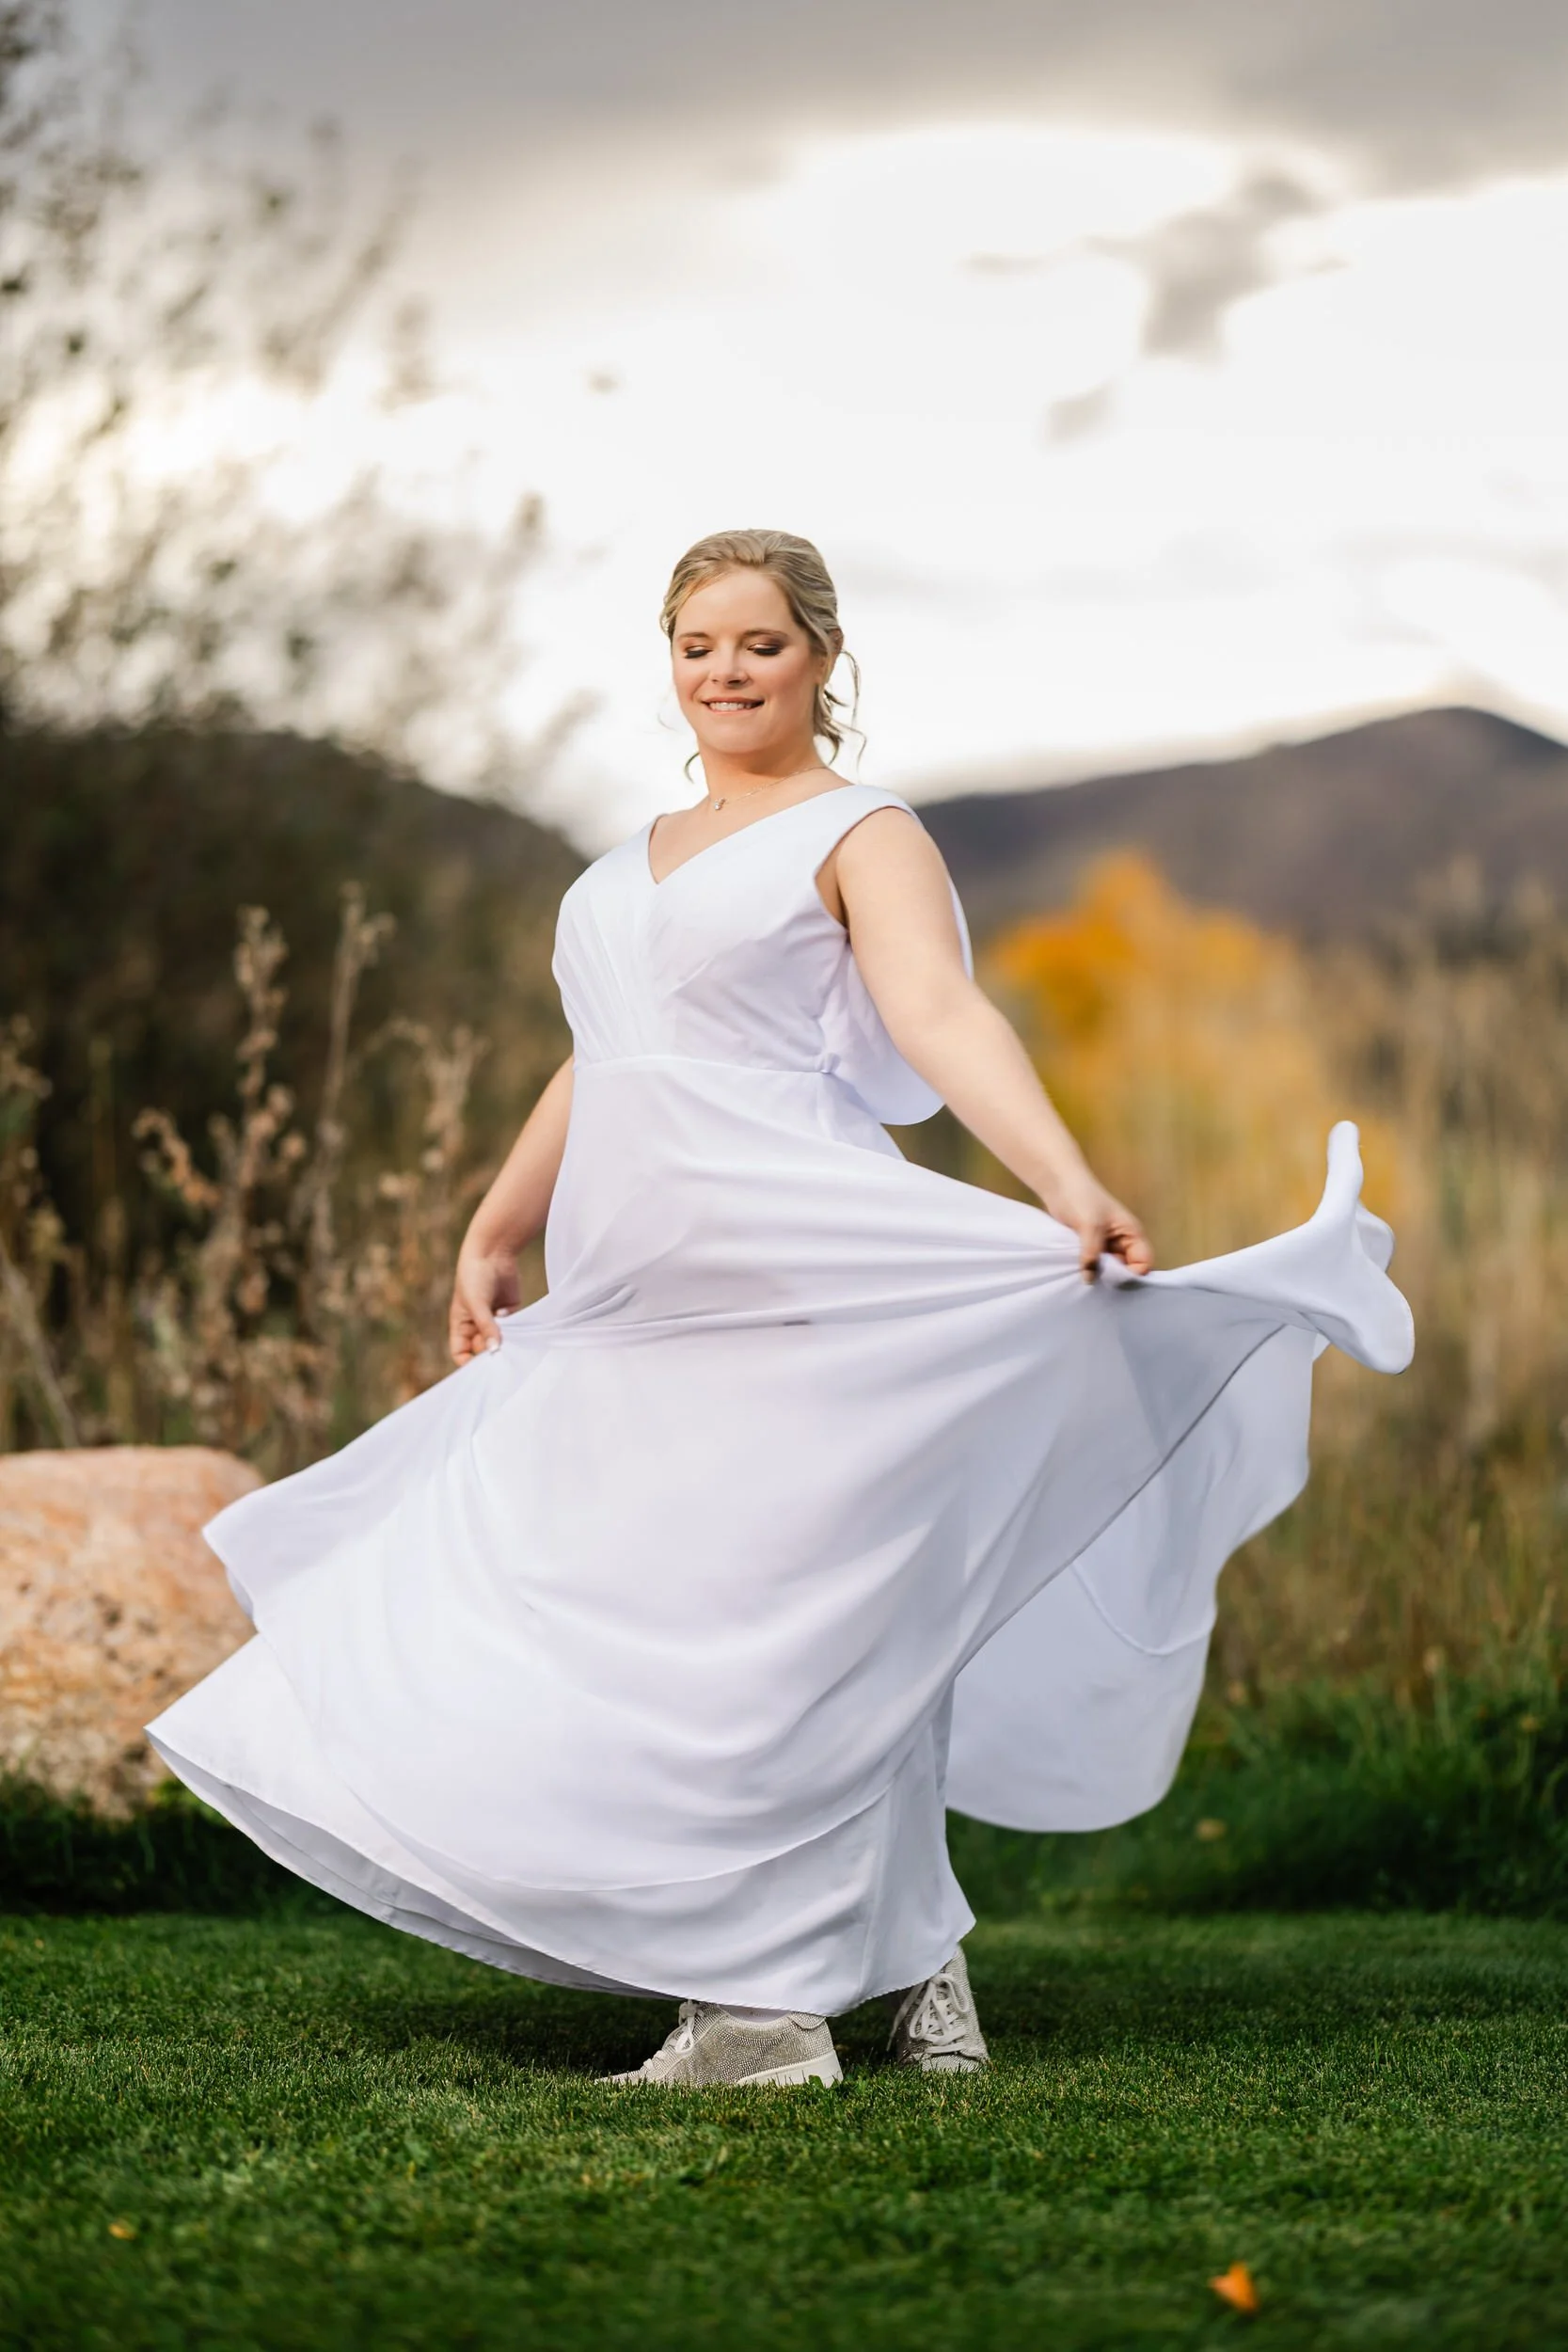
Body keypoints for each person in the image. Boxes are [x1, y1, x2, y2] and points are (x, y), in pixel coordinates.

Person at [149, 529, 1414, 2090]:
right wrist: (495, 1218)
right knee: (660, 1593)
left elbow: (937, 1012)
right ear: (666, 663)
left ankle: (758, 2013)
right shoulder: (636, 857)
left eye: (756, 643)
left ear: (819, 656)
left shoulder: (861, 829)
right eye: (695, 645)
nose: (723, 673)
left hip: (790, 1257)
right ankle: (908, 1973)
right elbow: (602, 1054)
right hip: (639, 1292)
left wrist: (1062, 1180)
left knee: (769, 1610)